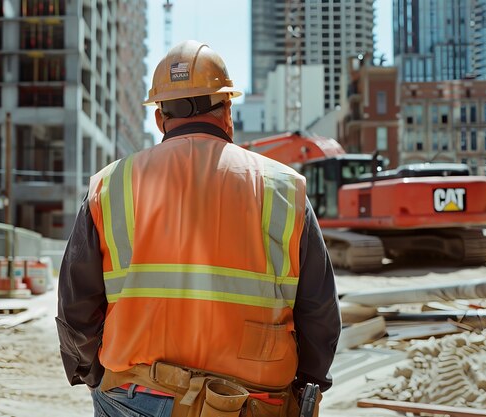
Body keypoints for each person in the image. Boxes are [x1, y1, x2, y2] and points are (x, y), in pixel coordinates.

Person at [57, 40, 341, 417]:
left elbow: (76, 304)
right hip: (253, 401)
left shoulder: (110, 185)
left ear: (159, 118)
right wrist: (305, 386)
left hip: (137, 395)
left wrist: (93, 374)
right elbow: (319, 311)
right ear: (227, 110)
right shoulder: (285, 188)